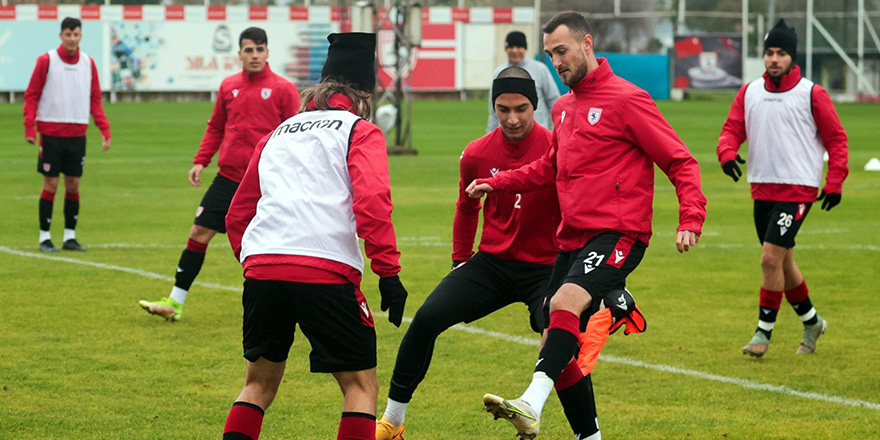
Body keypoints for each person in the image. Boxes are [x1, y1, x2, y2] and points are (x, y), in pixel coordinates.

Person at [468, 11, 707, 439]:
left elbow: (679, 159)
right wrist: (498, 182)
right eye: (550, 54)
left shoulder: (627, 99)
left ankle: (530, 402)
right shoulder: (562, 108)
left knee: (564, 302)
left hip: (619, 232)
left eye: (562, 51)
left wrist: (691, 215)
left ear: (587, 44)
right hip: (573, 239)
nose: (556, 61)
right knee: (553, 342)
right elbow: (549, 167)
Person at [376, 66, 620, 440]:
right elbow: (465, 207)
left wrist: (594, 276)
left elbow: (588, 210)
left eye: (521, 108)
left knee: (559, 346)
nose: (512, 118)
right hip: (491, 265)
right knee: (426, 319)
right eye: (503, 109)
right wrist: (460, 261)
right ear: (494, 106)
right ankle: (392, 422)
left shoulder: (559, 147)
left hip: (547, 269)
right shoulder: (476, 153)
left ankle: (590, 437)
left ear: (534, 107)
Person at [220, 32, 408, 440]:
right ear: (364, 94)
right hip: (325, 271)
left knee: (258, 385)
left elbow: (238, 213)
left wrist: (255, 262)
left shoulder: (278, 133)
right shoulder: (359, 130)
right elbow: (373, 203)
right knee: (360, 387)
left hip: (264, 268)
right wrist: (388, 274)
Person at [138, 27, 299, 322]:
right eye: (249, 50)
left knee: (272, 243)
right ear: (239, 53)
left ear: (268, 53)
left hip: (266, 181)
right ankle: (175, 302)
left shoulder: (283, 89)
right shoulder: (229, 86)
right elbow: (216, 127)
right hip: (228, 178)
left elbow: (295, 136)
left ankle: (290, 305)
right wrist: (201, 160)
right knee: (199, 232)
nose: (254, 55)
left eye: (260, 50)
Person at [717, 19, 848, 358]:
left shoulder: (811, 93)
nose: (774, 59)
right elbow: (731, 129)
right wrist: (727, 153)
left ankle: (763, 333)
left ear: (793, 57)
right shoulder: (749, 92)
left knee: (769, 258)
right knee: (782, 261)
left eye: (782, 53)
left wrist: (834, 182)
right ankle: (812, 321)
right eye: (769, 53)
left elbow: (837, 139)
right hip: (762, 189)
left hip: (798, 190)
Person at [23, 17, 111, 253]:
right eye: (68, 34)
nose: (72, 39)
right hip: (51, 132)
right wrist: (29, 127)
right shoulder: (46, 60)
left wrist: (104, 129)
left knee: (73, 184)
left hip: (77, 133)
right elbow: (32, 95)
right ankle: (44, 237)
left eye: (76, 35)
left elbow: (95, 99)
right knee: (51, 183)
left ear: (81, 36)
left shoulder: (88, 63)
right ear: (61, 35)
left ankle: (70, 236)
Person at [487, 31, 560, 133]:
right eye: (511, 47)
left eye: (518, 47)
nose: (514, 51)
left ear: (525, 49)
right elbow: (493, 110)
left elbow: (554, 102)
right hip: (507, 137)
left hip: (537, 136)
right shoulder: (498, 73)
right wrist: (490, 135)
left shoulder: (540, 69)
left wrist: (554, 132)